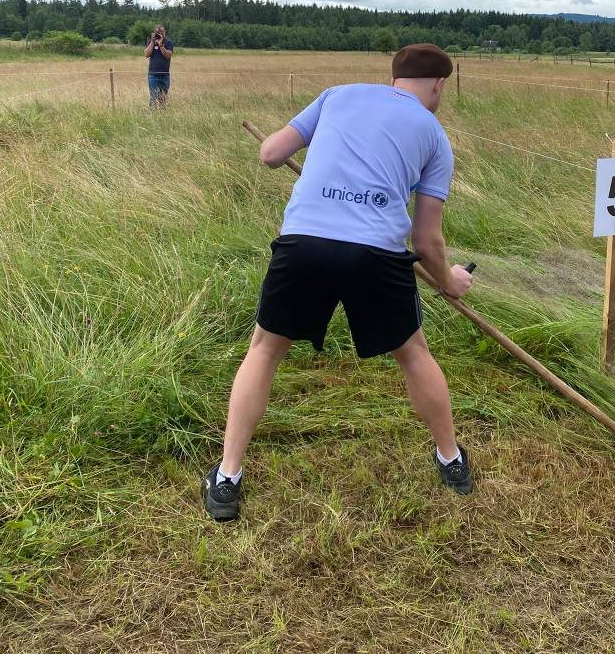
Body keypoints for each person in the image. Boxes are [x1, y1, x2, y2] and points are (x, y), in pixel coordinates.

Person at [202, 43, 473, 522]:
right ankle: (452, 461)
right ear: (438, 85)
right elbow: (426, 238)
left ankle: (227, 477)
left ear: (394, 78)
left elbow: (270, 153)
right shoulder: (434, 134)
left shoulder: (337, 95)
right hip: (377, 255)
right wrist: (447, 281)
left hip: (304, 244)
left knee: (264, 350)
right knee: (413, 354)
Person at [144, 24, 174, 109]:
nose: (159, 34)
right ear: (154, 32)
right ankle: (152, 113)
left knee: (163, 98)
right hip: (153, 75)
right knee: (153, 97)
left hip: (165, 75)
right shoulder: (151, 42)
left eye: (161, 32)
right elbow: (146, 54)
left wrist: (161, 45)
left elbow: (168, 55)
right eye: (157, 32)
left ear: (164, 32)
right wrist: (152, 42)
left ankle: (162, 114)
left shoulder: (169, 42)